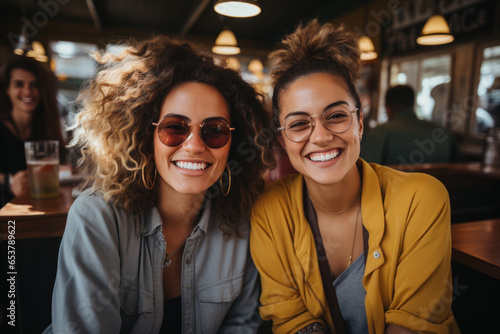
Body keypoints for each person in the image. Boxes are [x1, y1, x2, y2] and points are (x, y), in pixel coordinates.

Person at [43, 35, 274, 333]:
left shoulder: (243, 224)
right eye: (175, 127)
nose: (193, 145)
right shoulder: (97, 219)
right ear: (146, 137)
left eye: (214, 131)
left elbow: (242, 324)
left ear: (233, 143)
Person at [250, 20, 460, 334]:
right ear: (282, 140)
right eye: (298, 124)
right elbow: (292, 319)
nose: (320, 137)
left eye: (336, 116)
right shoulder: (268, 210)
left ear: (360, 123)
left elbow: (414, 324)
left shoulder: (421, 198)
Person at [0, 55, 66, 207]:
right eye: (19, 84)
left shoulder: (48, 128)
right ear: (7, 89)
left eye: (35, 85)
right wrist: (9, 181)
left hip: (40, 209)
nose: (28, 91)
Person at [360, 84, 462, 166]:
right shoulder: (442, 133)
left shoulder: (379, 133)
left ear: (388, 108)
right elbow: (460, 166)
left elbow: (366, 169)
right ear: (412, 105)